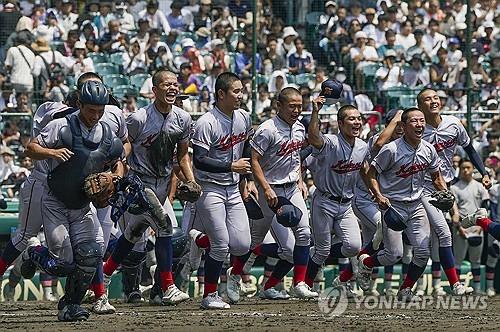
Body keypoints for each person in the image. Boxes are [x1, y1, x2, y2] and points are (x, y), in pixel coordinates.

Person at [20, 81, 124, 321]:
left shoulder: (106, 133)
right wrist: (52, 153)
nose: (95, 116)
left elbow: (118, 158)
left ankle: (70, 305)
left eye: (100, 110)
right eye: (91, 110)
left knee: (91, 254)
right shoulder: (61, 126)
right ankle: (33, 252)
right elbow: (31, 148)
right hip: (55, 201)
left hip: (82, 205)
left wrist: (114, 177)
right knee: (62, 264)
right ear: (79, 104)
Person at [102, 69, 192, 305]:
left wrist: (190, 180)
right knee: (165, 225)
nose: (172, 88)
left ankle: (105, 274)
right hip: (139, 183)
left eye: (175, 84)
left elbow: (182, 157)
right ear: (154, 90)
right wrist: (118, 170)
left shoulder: (183, 119)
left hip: (163, 183)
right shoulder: (138, 118)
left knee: (132, 234)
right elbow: (125, 144)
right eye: (166, 84)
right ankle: (169, 287)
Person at [226, 87, 316, 302]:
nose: (296, 110)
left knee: (303, 234)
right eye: (291, 106)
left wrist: (301, 181)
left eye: (299, 106)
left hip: (292, 187)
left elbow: (296, 158)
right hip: (270, 190)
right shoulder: (267, 129)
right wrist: (264, 187)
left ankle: (298, 283)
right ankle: (234, 276)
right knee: (254, 239)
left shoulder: (299, 128)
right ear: (279, 106)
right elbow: (254, 160)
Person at [357, 107, 447, 302]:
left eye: (422, 120)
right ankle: (366, 263)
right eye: (414, 121)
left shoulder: (428, 149)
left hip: (416, 204)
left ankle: (405, 289)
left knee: (423, 252)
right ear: (403, 126)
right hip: (394, 206)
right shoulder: (391, 149)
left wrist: (446, 193)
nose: (419, 124)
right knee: (393, 254)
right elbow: (371, 173)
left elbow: (436, 177)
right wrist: (378, 195)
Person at [189, 72, 254, 309]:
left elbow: (246, 146)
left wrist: (247, 178)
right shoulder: (207, 122)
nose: (240, 95)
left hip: (233, 187)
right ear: (221, 94)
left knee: (242, 245)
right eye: (236, 91)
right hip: (210, 188)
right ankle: (210, 296)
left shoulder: (243, 118)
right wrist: (231, 165)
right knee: (221, 245)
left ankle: (198, 238)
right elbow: (199, 160)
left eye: (241, 90)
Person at [419, 88, 489, 295]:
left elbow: (469, 149)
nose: (433, 101)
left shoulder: (454, 124)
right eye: (427, 99)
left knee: (439, 236)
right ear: (419, 106)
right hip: (420, 187)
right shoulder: (416, 127)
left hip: (444, 187)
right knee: (423, 239)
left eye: (436, 98)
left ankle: (441, 285)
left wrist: (483, 172)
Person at [304, 98, 368, 298]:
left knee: (353, 246)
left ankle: (317, 254)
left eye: (359, 119)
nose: (356, 122)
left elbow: (364, 171)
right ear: (340, 124)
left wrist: (375, 193)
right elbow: (314, 137)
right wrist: (315, 111)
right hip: (323, 200)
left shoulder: (362, 146)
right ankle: (305, 285)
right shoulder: (331, 142)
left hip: (346, 204)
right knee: (323, 250)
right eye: (351, 119)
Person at [450, 160, 489, 294]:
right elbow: (453, 210)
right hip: (460, 228)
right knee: (458, 261)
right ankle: (458, 288)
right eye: (463, 168)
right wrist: (460, 228)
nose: (465, 170)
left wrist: (481, 227)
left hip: (478, 228)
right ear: (459, 169)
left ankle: (477, 289)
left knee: (476, 261)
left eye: (468, 167)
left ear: (473, 169)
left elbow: (486, 207)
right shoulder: (454, 188)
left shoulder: (480, 187)